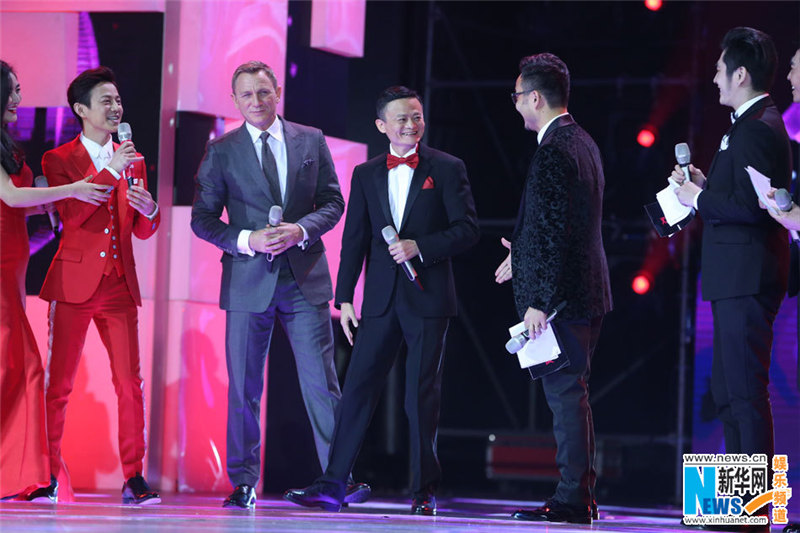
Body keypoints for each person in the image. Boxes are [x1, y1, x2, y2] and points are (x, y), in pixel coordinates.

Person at [284, 86, 479, 515]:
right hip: (379, 300)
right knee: (356, 390)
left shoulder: (447, 168)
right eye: (402, 119)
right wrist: (344, 299)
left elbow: (467, 230)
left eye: (417, 117)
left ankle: (424, 490)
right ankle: (333, 483)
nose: (411, 125)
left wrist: (420, 246)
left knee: (419, 396)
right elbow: (354, 239)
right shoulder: (367, 173)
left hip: (428, 299)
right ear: (381, 125)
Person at [191, 61, 365, 510]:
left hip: (304, 279)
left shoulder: (310, 139)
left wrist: (301, 229)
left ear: (278, 92)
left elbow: (333, 201)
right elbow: (202, 219)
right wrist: (246, 239)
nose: (256, 101)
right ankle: (243, 482)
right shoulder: (221, 150)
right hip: (247, 280)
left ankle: (338, 478)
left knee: (322, 383)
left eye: (263, 92)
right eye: (247, 94)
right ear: (234, 100)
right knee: (244, 387)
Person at [35, 66, 161, 505]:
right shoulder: (58, 160)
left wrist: (150, 210)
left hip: (119, 285)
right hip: (73, 283)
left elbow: (142, 230)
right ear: (81, 110)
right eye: (106, 101)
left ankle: (134, 476)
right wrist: (111, 170)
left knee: (129, 383)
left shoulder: (133, 159)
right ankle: (47, 473)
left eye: (118, 100)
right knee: (59, 385)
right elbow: (72, 216)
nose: (115, 108)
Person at [494, 53, 612, 525]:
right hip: (585, 290)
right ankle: (578, 494)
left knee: (565, 396)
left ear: (535, 98)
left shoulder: (554, 149)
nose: (516, 104)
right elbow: (561, 225)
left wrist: (537, 302)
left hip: (562, 300)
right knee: (571, 394)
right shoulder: (582, 142)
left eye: (517, 96)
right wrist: (521, 254)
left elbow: (554, 229)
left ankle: (573, 498)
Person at [673, 26, 790, 475]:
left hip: (747, 277)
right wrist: (705, 185)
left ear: (740, 74)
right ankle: (740, 503)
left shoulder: (757, 127)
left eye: (720, 69)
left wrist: (698, 199)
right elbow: (744, 194)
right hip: (736, 278)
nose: (714, 78)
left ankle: (756, 508)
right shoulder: (749, 124)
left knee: (744, 395)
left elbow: (752, 209)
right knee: (728, 393)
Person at [0, 61, 110, 501]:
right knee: (21, 367)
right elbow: (10, 195)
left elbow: (17, 204)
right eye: (12, 90)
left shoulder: (6, 143)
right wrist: (71, 189)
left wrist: (52, 201)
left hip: (13, 264)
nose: (18, 99)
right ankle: (21, 473)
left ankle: (19, 472)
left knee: (21, 368)